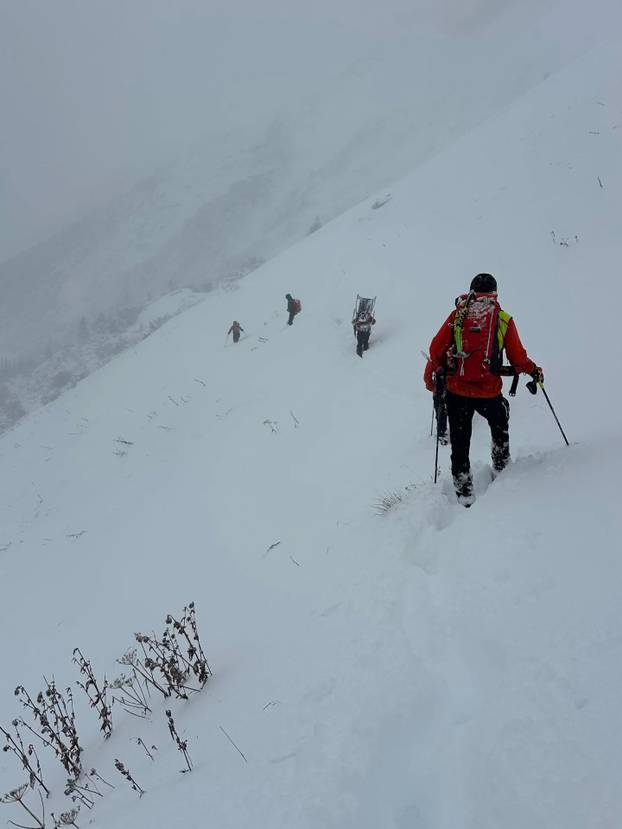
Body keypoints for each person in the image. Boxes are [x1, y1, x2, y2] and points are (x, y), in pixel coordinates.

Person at [424, 273, 543, 506]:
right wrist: (533, 370)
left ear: (470, 292)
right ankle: (500, 464)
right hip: (489, 393)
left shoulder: (457, 316)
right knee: (500, 420)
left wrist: (433, 380)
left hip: (457, 392)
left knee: (460, 442)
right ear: (495, 293)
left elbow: (436, 348)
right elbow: (518, 358)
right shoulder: (502, 319)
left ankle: (464, 491)